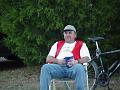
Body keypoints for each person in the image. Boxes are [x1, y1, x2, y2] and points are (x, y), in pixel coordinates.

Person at [40, 25, 91, 90]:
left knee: (79, 67)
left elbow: (87, 58)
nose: (67, 35)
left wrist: (76, 61)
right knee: (45, 67)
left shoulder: (81, 44)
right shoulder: (57, 44)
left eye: (70, 32)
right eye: (65, 33)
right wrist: (58, 61)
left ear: (75, 35)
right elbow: (48, 59)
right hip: (59, 68)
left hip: (73, 68)